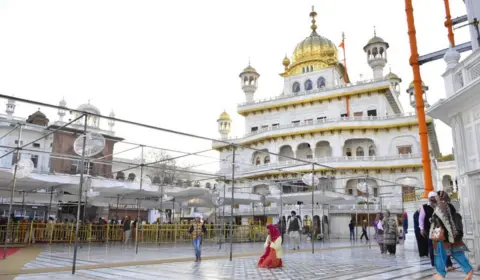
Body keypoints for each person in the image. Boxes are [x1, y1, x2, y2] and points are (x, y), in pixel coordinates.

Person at [430, 191, 473, 279]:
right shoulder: (450, 206)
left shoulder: (440, 206)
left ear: (439, 198)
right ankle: (469, 271)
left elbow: (441, 221)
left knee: (440, 254)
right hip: (454, 235)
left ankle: (440, 274)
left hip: (443, 236)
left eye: (437, 196)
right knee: (457, 253)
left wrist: (432, 220)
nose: (435, 198)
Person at [420, 191, 437, 266]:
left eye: (434, 197)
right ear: (429, 198)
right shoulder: (425, 207)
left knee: (441, 246)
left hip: (440, 229)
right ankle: (433, 262)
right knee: (431, 245)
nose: (433, 198)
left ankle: (445, 263)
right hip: (429, 229)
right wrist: (421, 228)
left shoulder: (439, 205)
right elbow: (421, 219)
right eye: (431, 197)